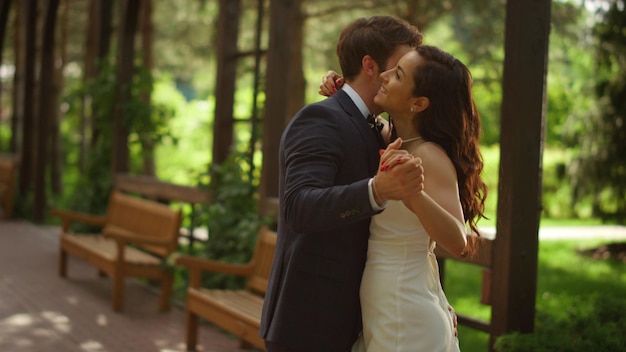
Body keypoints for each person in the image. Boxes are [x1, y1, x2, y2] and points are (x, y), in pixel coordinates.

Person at [259, 16, 423, 352]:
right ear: (369, 65)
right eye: (399, 67)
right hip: (311, 320)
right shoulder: (321, 118)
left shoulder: (373, 124)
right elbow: (299, 207)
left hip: (359, 317)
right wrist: (376, 191)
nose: (403, 77)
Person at [335, 45, 488, 351]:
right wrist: (339, 87)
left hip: (403, 301)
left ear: (418, 102)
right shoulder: (393, 138)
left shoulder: (428, 155)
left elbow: (459, 241)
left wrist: (413, 195)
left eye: (398, 74)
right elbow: (361, 118)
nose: (385, 75)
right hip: (385, 296)